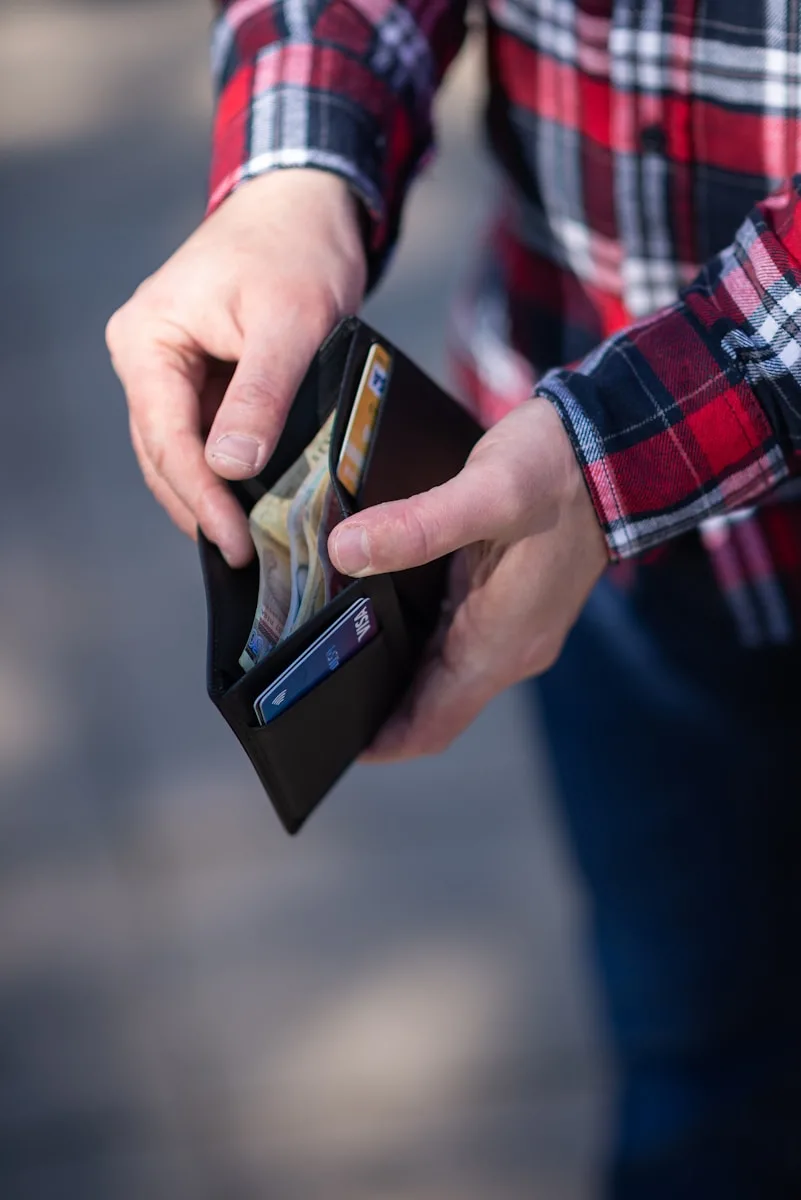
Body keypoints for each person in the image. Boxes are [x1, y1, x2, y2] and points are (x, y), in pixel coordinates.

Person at [106, 2, 801, 1194]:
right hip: (603, 546)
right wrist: (292, 171)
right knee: (702, 1077)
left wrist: (613, 453)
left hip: (595, 479)